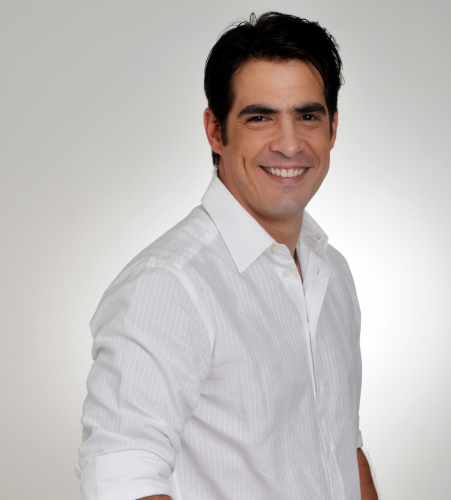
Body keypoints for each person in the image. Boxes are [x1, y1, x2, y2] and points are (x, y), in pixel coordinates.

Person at [76, 11, 378, 500]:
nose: (289, 144)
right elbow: (121, 481)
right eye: (260, 117)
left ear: (333, 128)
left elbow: (341, 446)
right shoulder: (169, 285)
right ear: (215, 131)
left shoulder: (332, 272)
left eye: (307, 116)